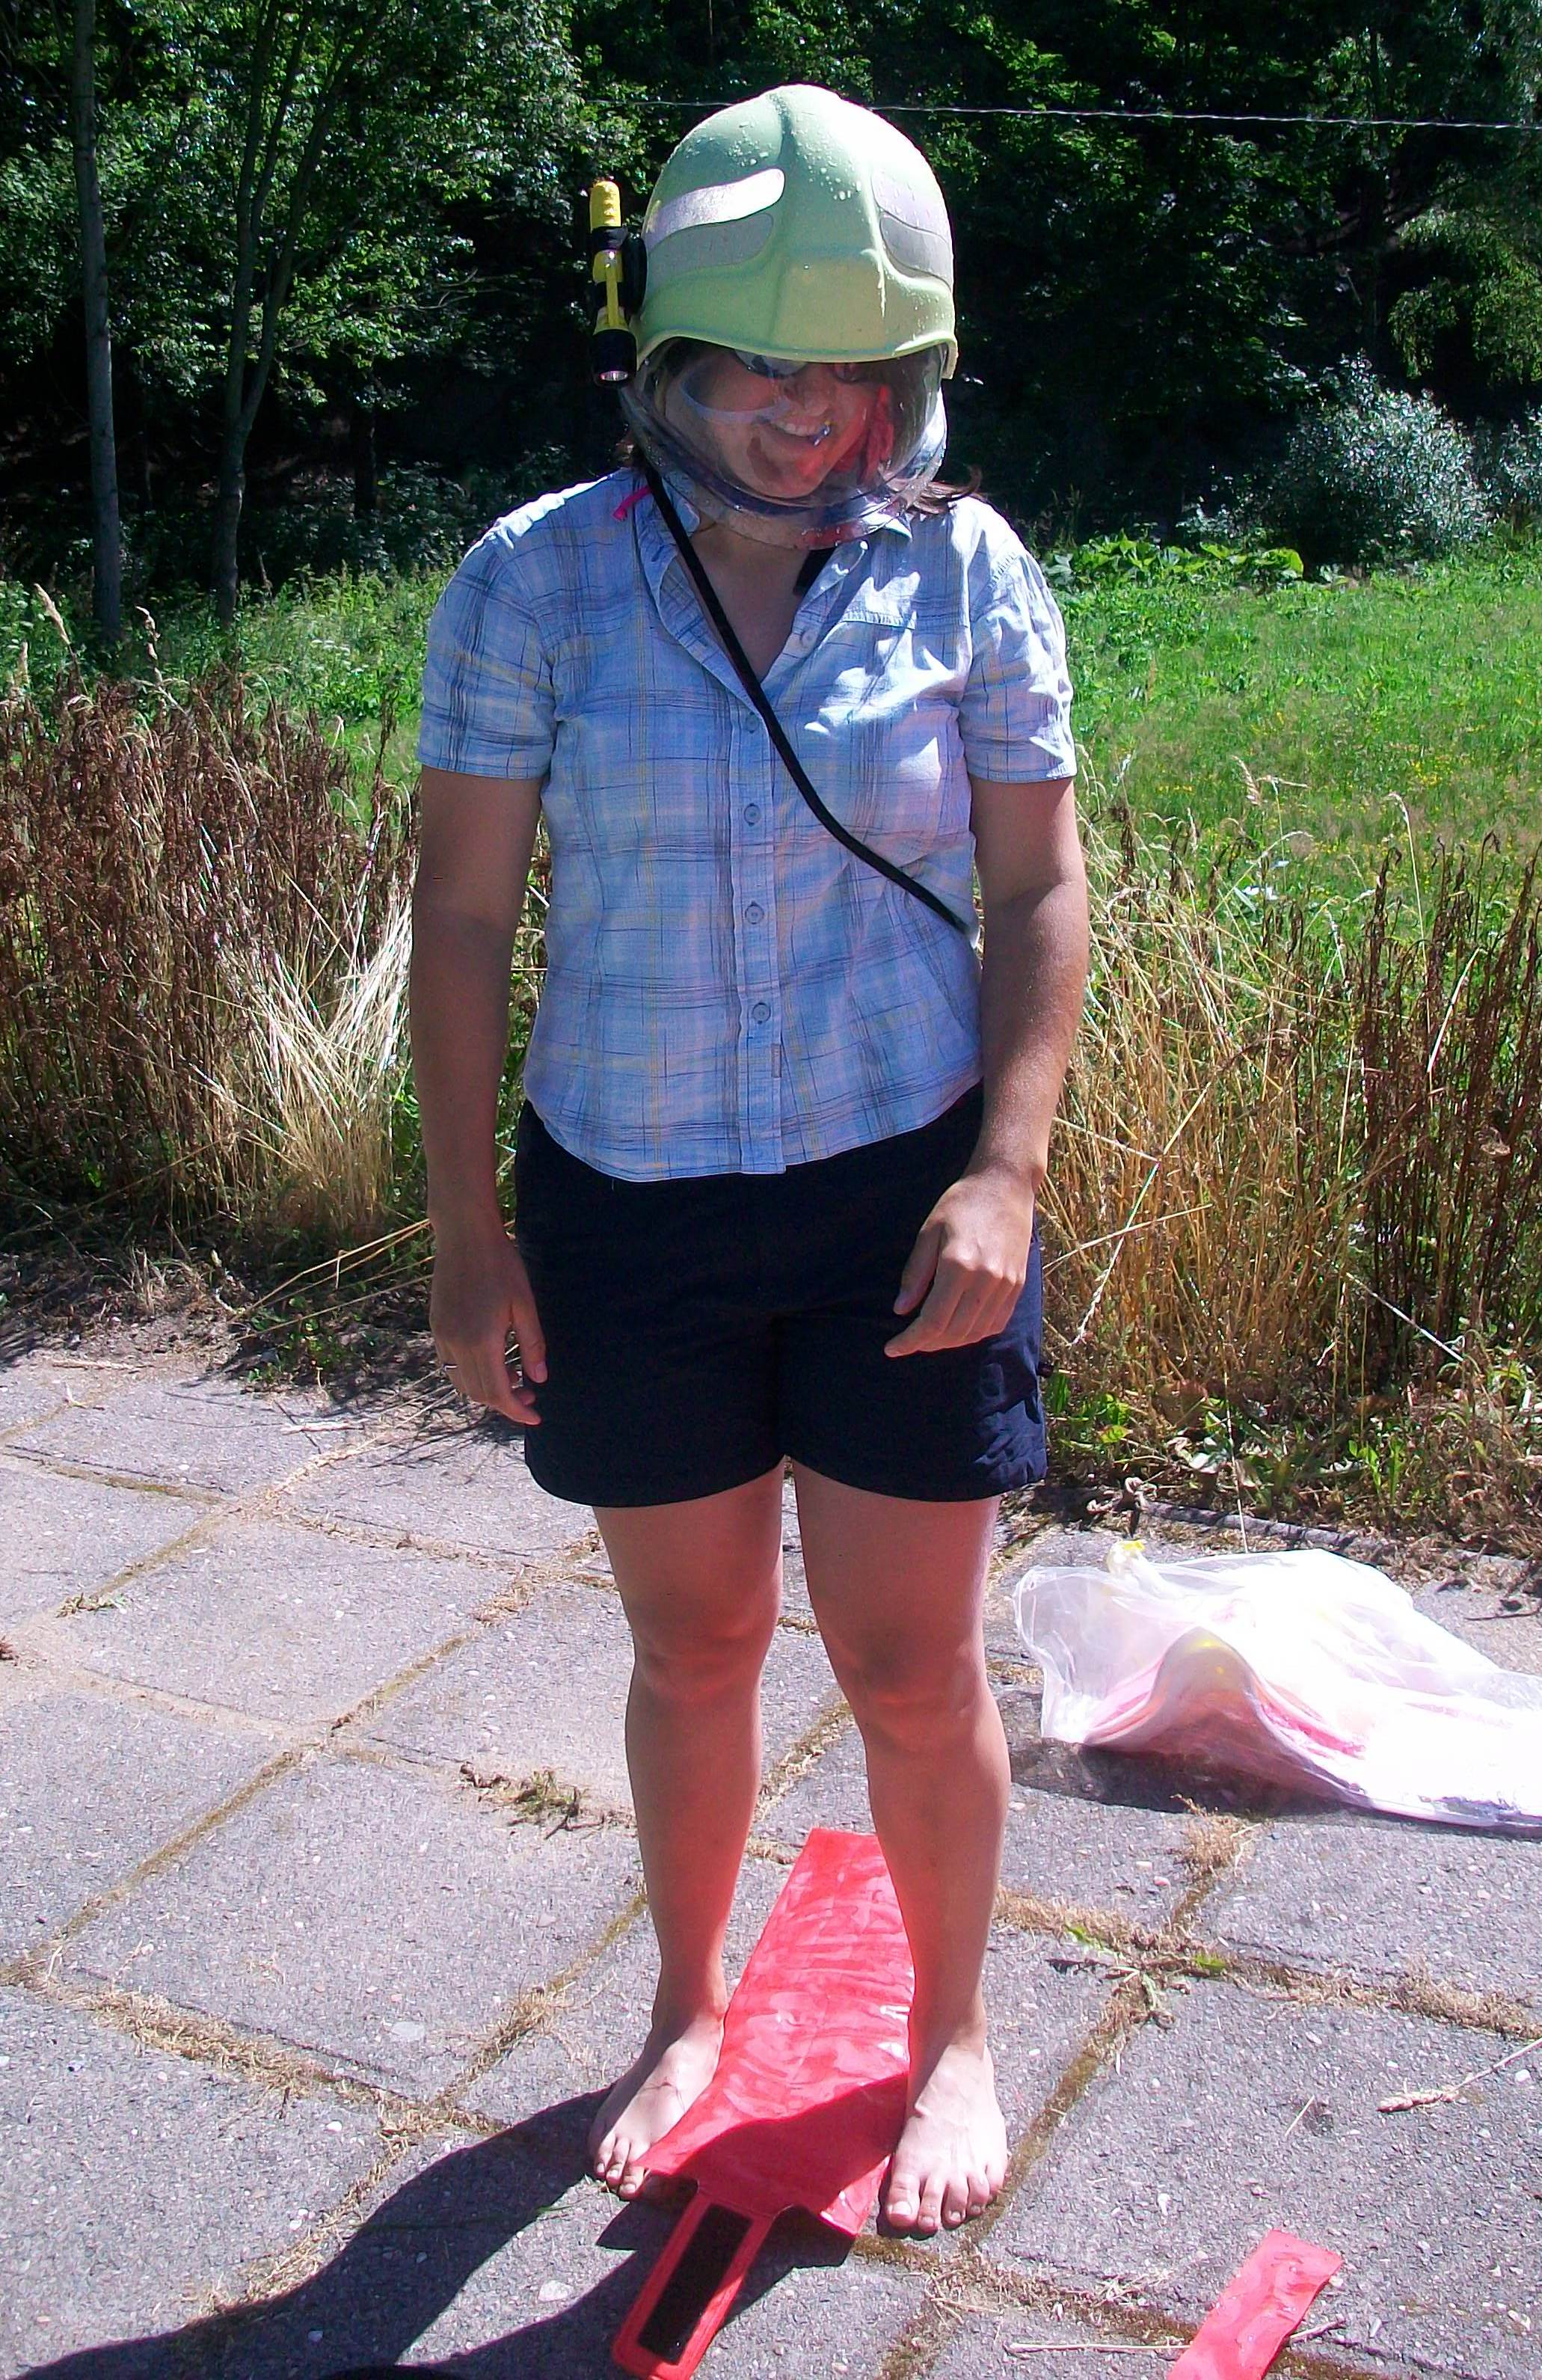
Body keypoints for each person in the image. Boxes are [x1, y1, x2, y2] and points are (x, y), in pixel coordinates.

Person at [410, 82, 1088, 2239]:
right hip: (629, 1201)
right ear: (667, 355)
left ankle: (949, 2037)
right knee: (694, 1648)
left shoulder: (968, 567)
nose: (811, 416)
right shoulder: (535, 579)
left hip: (900, 1198)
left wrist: (1008, 1172)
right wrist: (466, 1235)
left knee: (908, 1665)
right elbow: (461, 919)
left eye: (858, 371)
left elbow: (1039, 886)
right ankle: (687, 2007)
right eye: (762, 369)